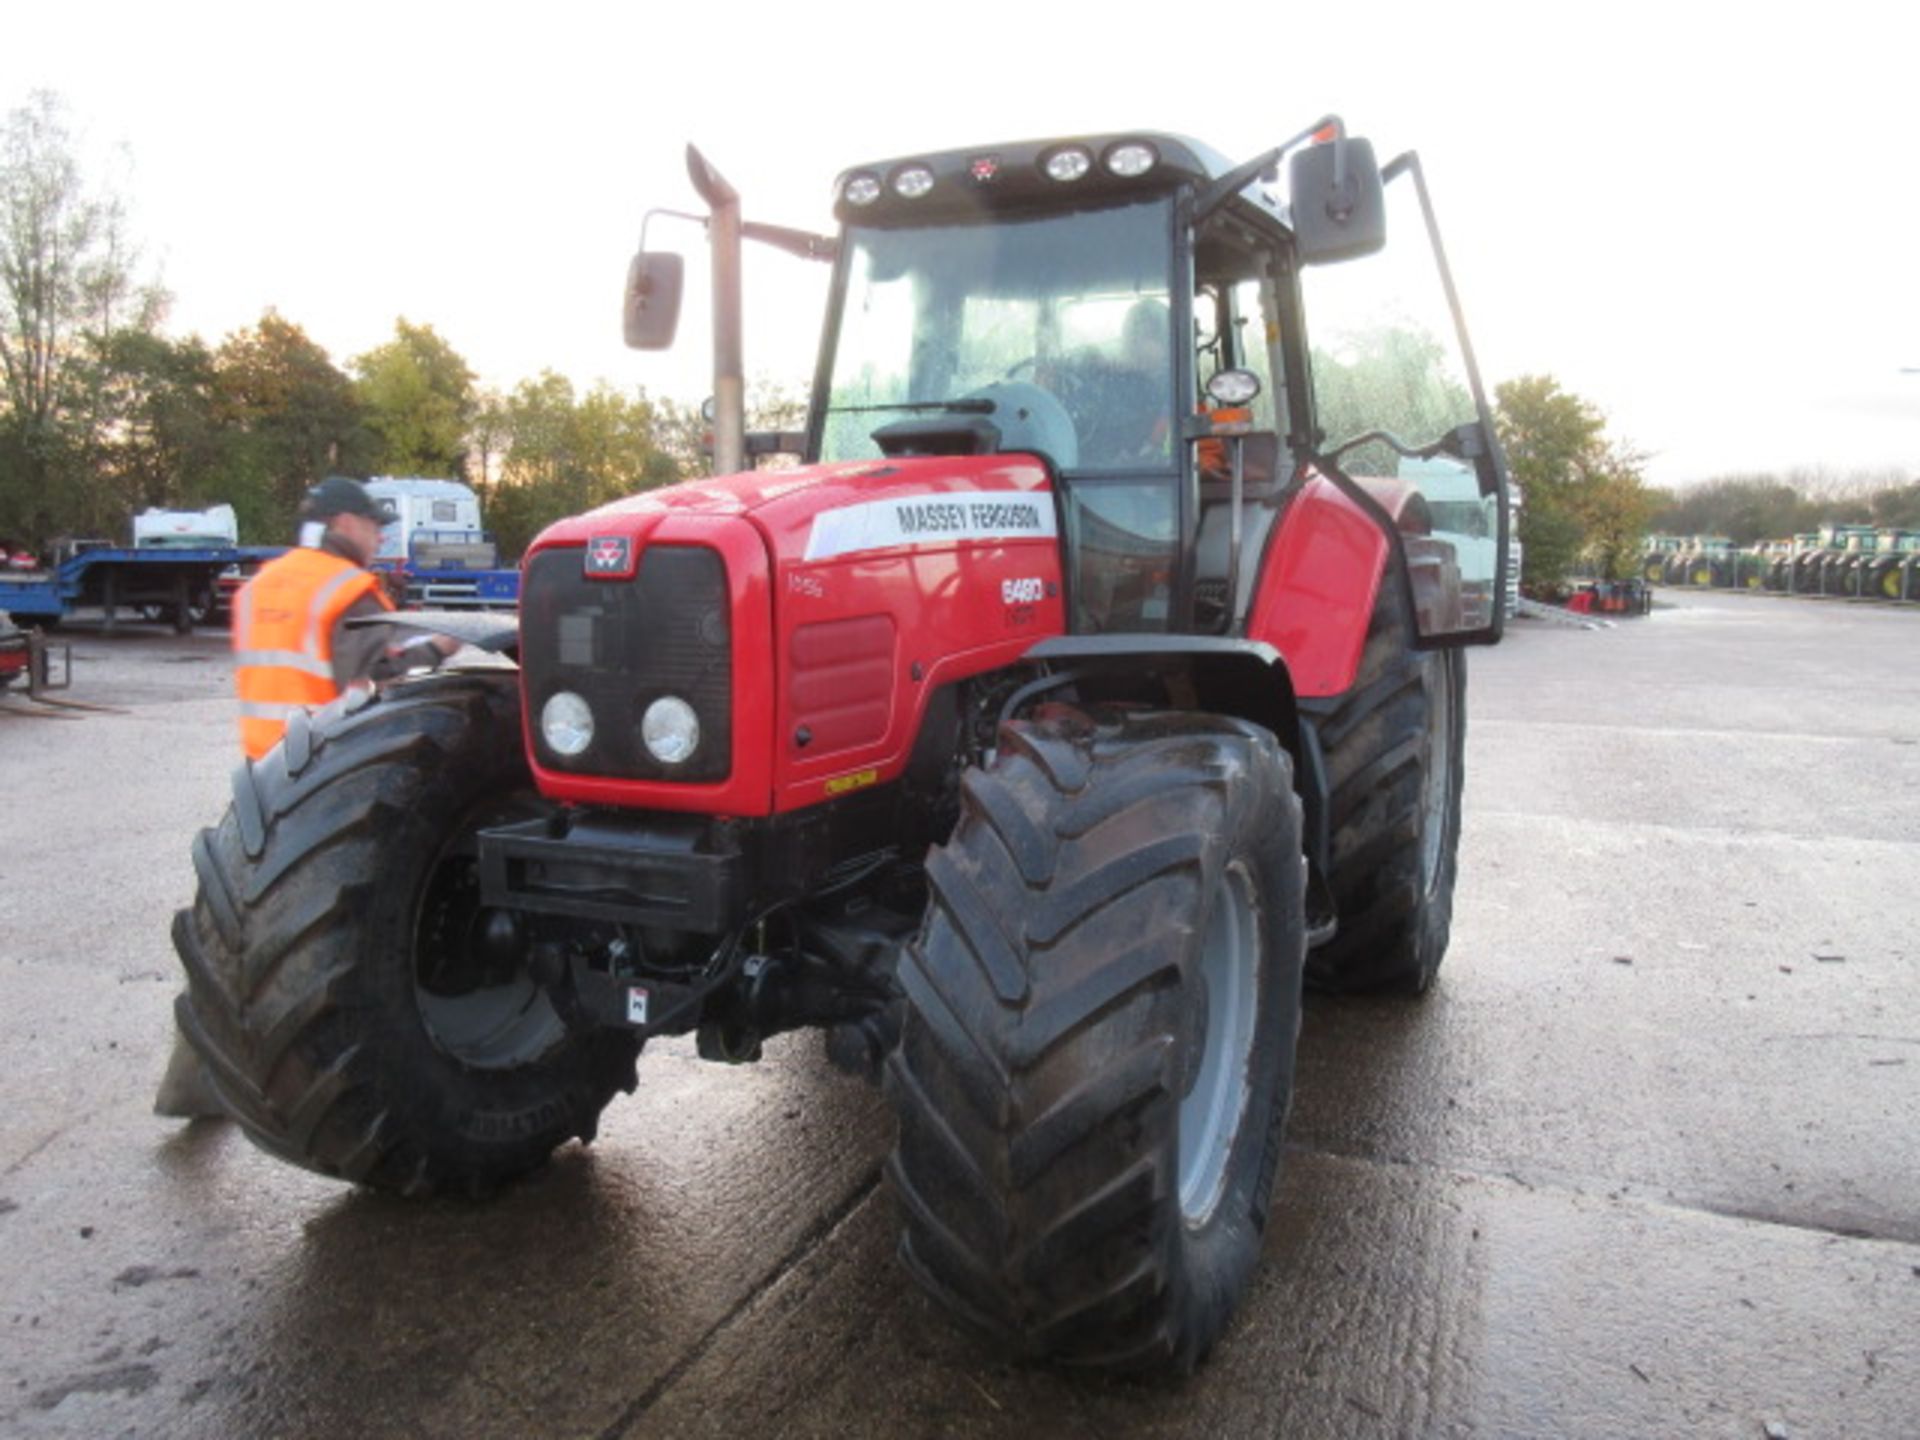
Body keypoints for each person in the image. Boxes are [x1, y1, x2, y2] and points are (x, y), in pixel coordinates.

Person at [154, 475, 459, 1116]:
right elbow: (384, 674)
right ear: (345, 523)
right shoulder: (343, 590)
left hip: (259, 776)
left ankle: (190, 1083)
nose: (378, 538)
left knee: (226, 927)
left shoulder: (264, 585)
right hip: (328, 781)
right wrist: (448, 643)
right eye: (374, 526)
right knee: (321, 934)